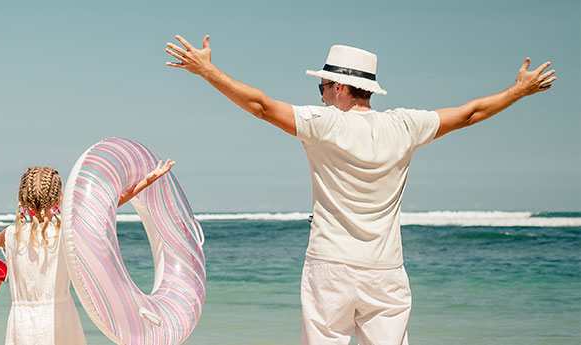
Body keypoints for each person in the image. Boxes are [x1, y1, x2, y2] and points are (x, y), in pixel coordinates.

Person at [163, 35, 556, 344]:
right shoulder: (405, 125)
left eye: (322, 86)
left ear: (338, 87)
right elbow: (470, 113)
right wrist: (518, 91)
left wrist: (207, 71)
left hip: (330, 266)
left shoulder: (323, 123)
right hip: (386, 271)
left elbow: (261, 106)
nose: (319, 94)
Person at [0, 162, 174, 345]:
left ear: (21, 199)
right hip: (61, 317)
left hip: (22, 323)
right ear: (59, 199)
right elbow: (108, 206)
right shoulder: (66, 232)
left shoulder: (11, 235)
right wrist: (146, 181)